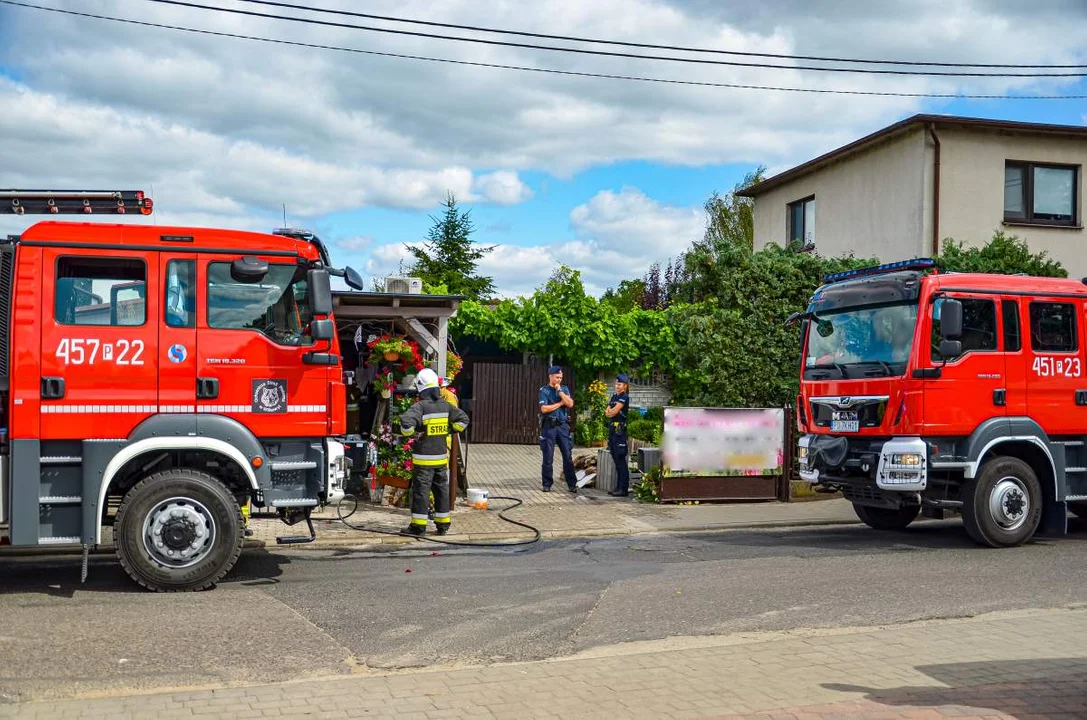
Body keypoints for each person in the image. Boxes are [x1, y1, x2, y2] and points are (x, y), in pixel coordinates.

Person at [396, 369, 469, 536]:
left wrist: (414, 433)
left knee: (421, 492)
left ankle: (418, 527)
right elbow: (464, 420)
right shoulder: (446, 406)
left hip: (423, 461)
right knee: (441, 491)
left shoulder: (420, 406)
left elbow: (406, 425)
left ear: (420, 387)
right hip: (441, 459)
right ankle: (443, 525)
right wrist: (449, 430)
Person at [538, 365, 577, 493]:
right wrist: (560, 403)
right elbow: (544, 409)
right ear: (550, 376)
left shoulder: (564, 389)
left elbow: (570, 404)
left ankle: (572, 484)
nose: (559, 380)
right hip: (549, 427)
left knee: (567, 456)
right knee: (548, 458)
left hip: (562, 427)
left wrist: (560, 391)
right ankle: (547, 484)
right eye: (557, 377)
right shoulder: (544, 391)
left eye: (560, 377)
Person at [605, 374, 631, 497]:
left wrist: (611, 412)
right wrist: (610, 412)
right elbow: (607, 412)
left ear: (625, 386)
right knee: (615, 457)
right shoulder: (615, 396)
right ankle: (618, 487)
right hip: (612, 429)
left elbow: (614, 411)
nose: (617, 386)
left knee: (620, 459)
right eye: (616, 384)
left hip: (620, 431)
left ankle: (623, 488)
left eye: (619, 384)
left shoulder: (624, 397)